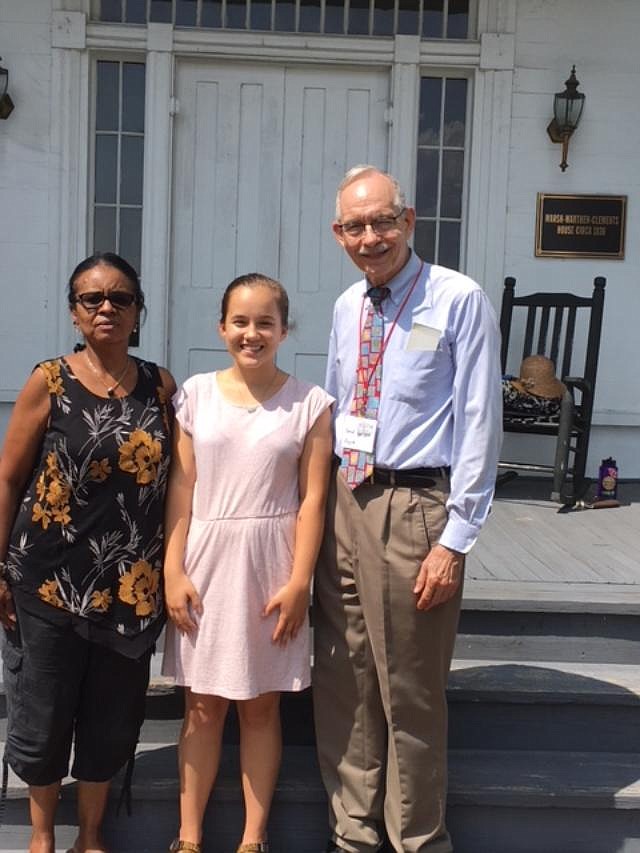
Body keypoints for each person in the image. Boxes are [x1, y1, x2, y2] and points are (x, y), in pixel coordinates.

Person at [312, 166, 502, 853]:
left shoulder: (457, 299)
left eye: (382, 221)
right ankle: (353, 835)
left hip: (416, 505)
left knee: (410, 692)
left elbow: (480, 420)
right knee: (345, 678)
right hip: (347, 498)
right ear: (339, 234)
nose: (370, 237)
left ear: (409, 220)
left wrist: (456, 539)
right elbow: (337, 408)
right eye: (355, 226)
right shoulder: (346, 307)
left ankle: (419, 840)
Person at [0, 252, 176, 853]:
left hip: (130, 586)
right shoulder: (47, 381)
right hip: (47, 581)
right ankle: (44, 836)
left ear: (137, 312)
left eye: (120, 298)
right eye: (92, 299)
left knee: (110, 718)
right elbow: (7, 479)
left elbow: (182, 480)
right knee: (43, 714)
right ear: (75, 312)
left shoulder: (161, 386)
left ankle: (92, 836)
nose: (106, 308)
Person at [161, 273, 334, 853]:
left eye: (265, 322)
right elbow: (181, 492)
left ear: (284, 330)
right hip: (205, 563)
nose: (251, 333)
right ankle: (189, 837)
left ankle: (251, 840)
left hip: (270, 568)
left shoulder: (310, 403)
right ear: (221, 327)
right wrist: (172, 570)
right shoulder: (194, 395)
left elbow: (313, 499)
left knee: (261, 708)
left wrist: (300, 582)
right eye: (240, 321)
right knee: (202, 707)